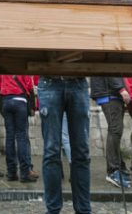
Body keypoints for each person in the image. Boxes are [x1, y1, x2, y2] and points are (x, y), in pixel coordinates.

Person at [39, 72, 92, 214]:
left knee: (82, 153)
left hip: (78, 81)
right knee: (51, 152)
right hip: (50, 80)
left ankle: (83, 210)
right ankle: (53, 210)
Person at [91, 76, 132, 189]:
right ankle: (113, 170)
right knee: (115, 130)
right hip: (109, 93)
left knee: (116, 131)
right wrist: (121, 88)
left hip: (112, 93)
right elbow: (110, 69)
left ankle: (119, 166)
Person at [0, 73, 39, 182]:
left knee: (9, 137)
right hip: (20, 101)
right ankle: (25, 172)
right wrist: (33, 107)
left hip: (6, 101)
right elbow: (30, 86)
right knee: (21, 137)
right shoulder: (21, 67)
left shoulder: (2, 68)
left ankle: (11, 172)